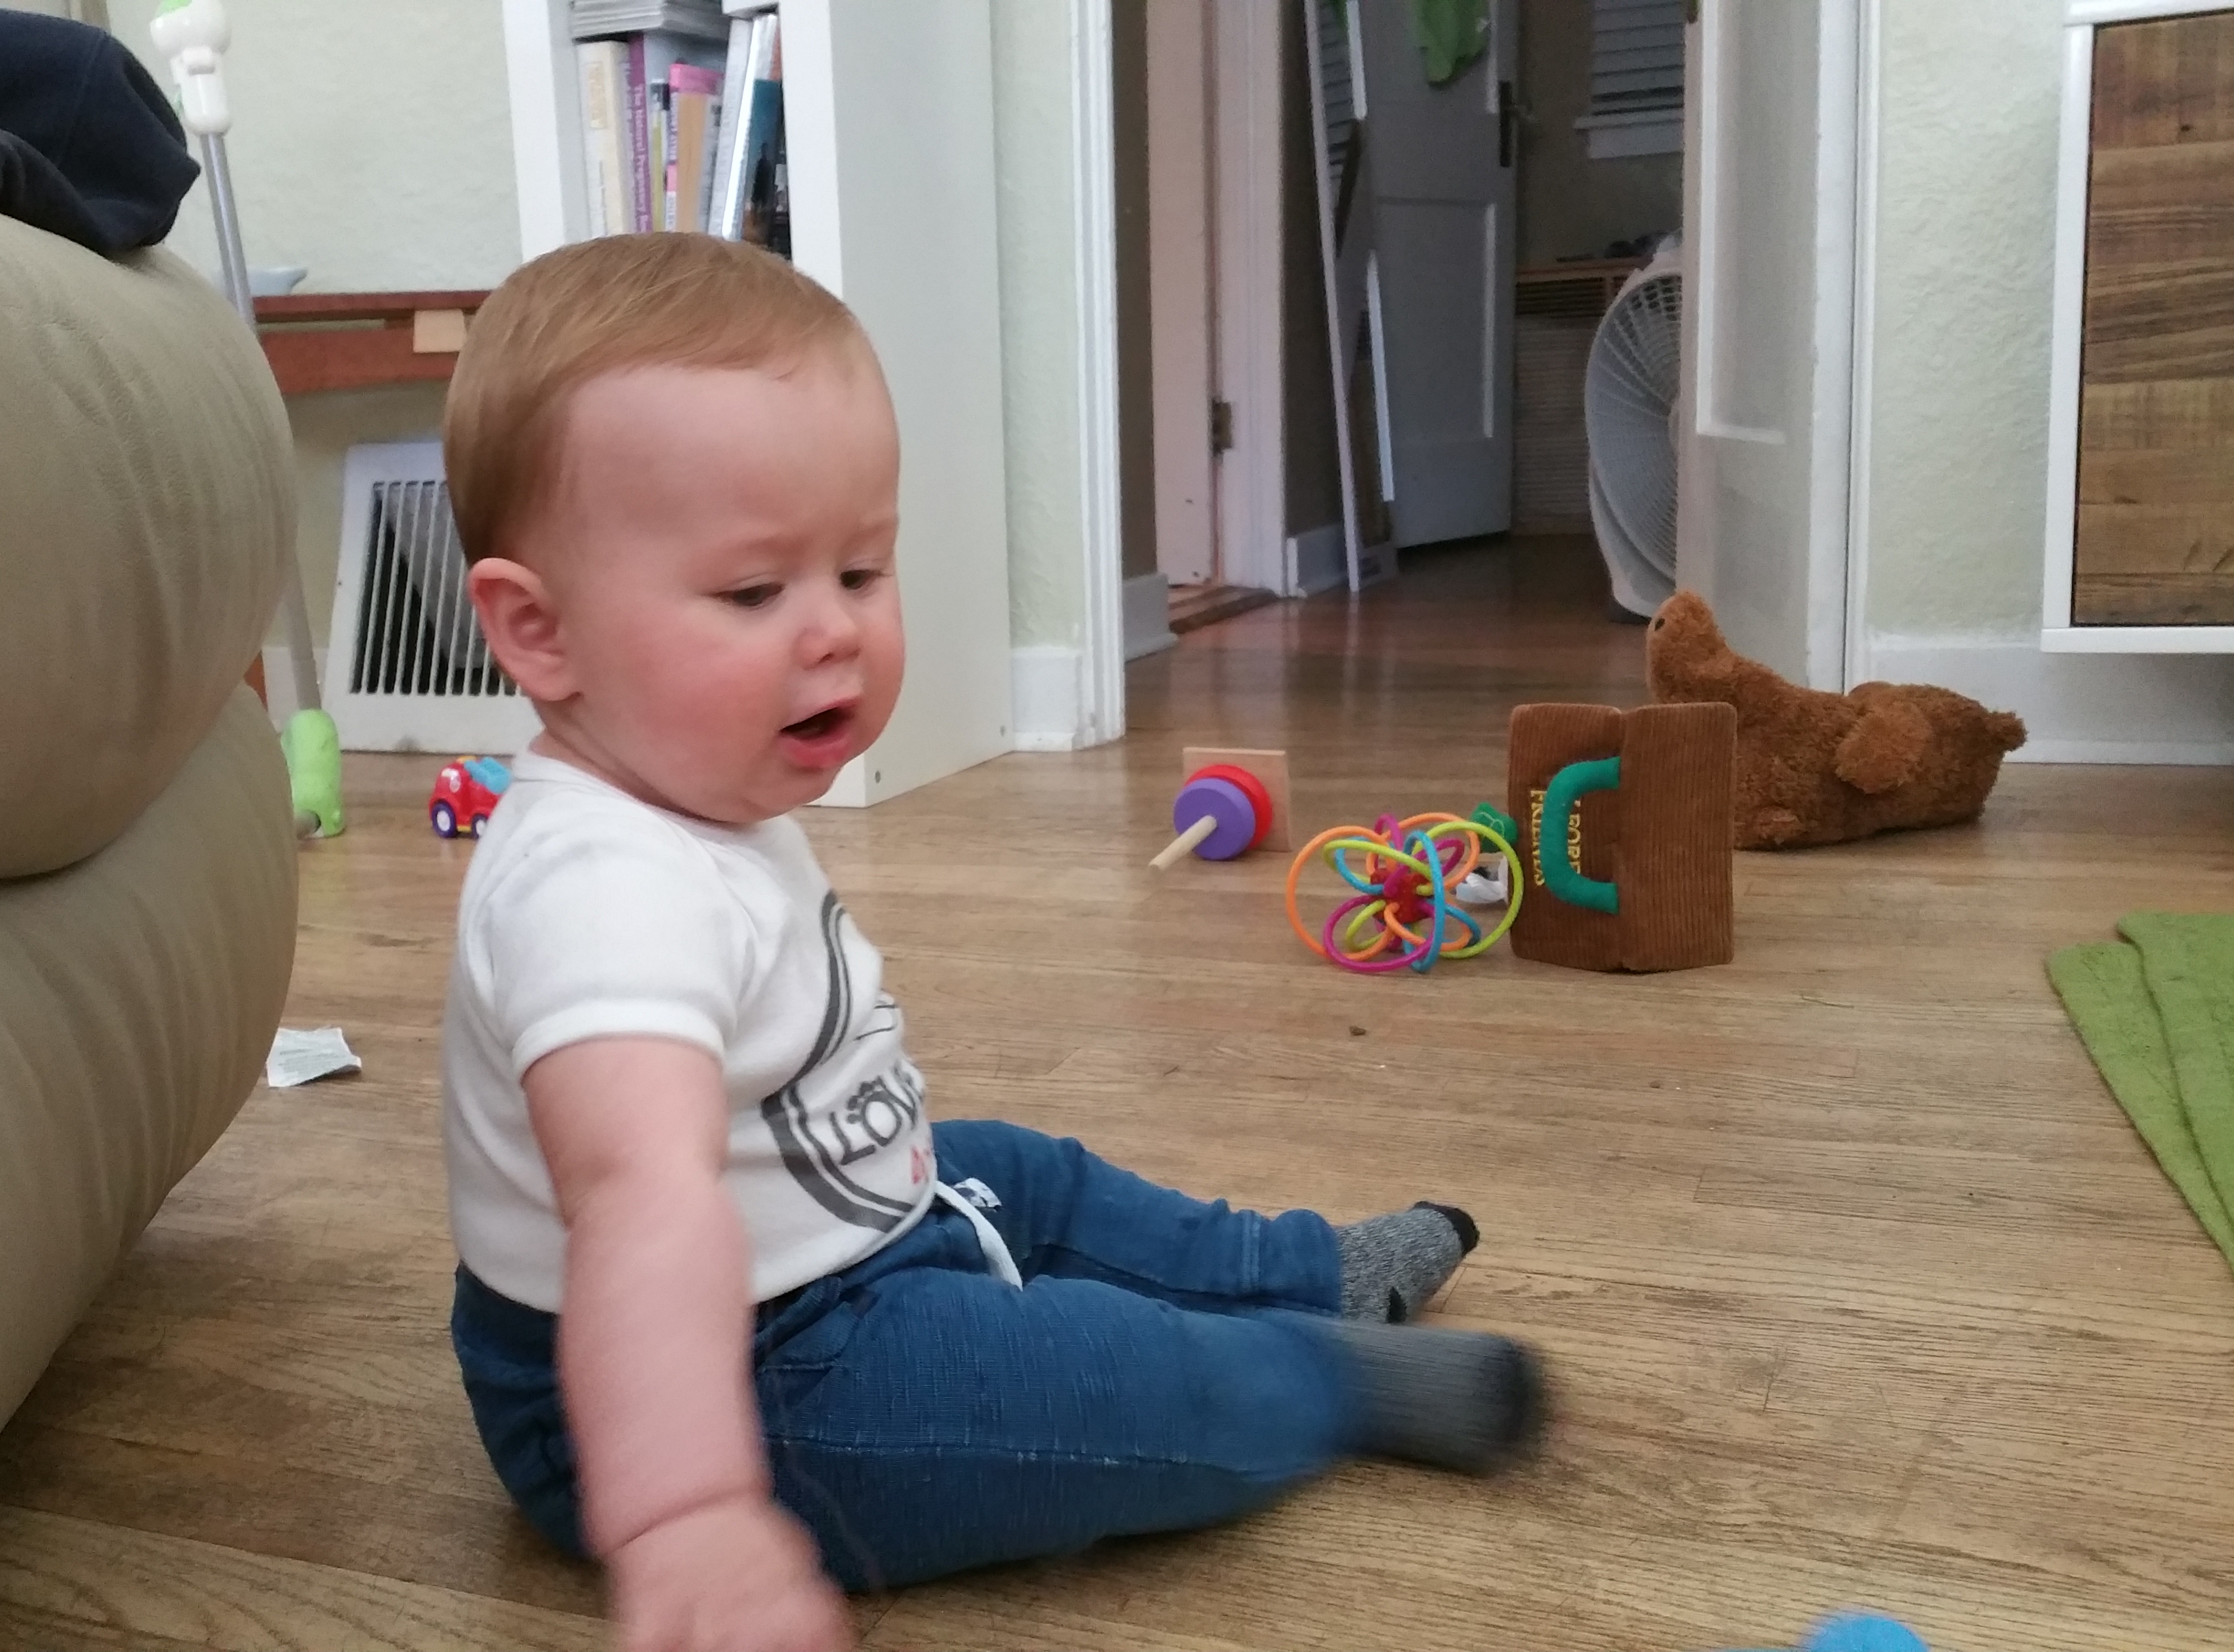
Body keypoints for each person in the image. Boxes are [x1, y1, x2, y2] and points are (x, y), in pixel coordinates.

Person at [440, 233, 1545, 1652]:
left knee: (1024, 1171)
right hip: (725, 1387)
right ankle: (1311, 1377)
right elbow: (641, 1204)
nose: (835, 632)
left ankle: (1297, 1269)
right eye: (754, 593)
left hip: (825, 1237)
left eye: (860, 569)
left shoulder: (686, 788)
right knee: (1107, 1386)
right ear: (540, 633)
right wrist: (689, 1512)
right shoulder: (598, 892)